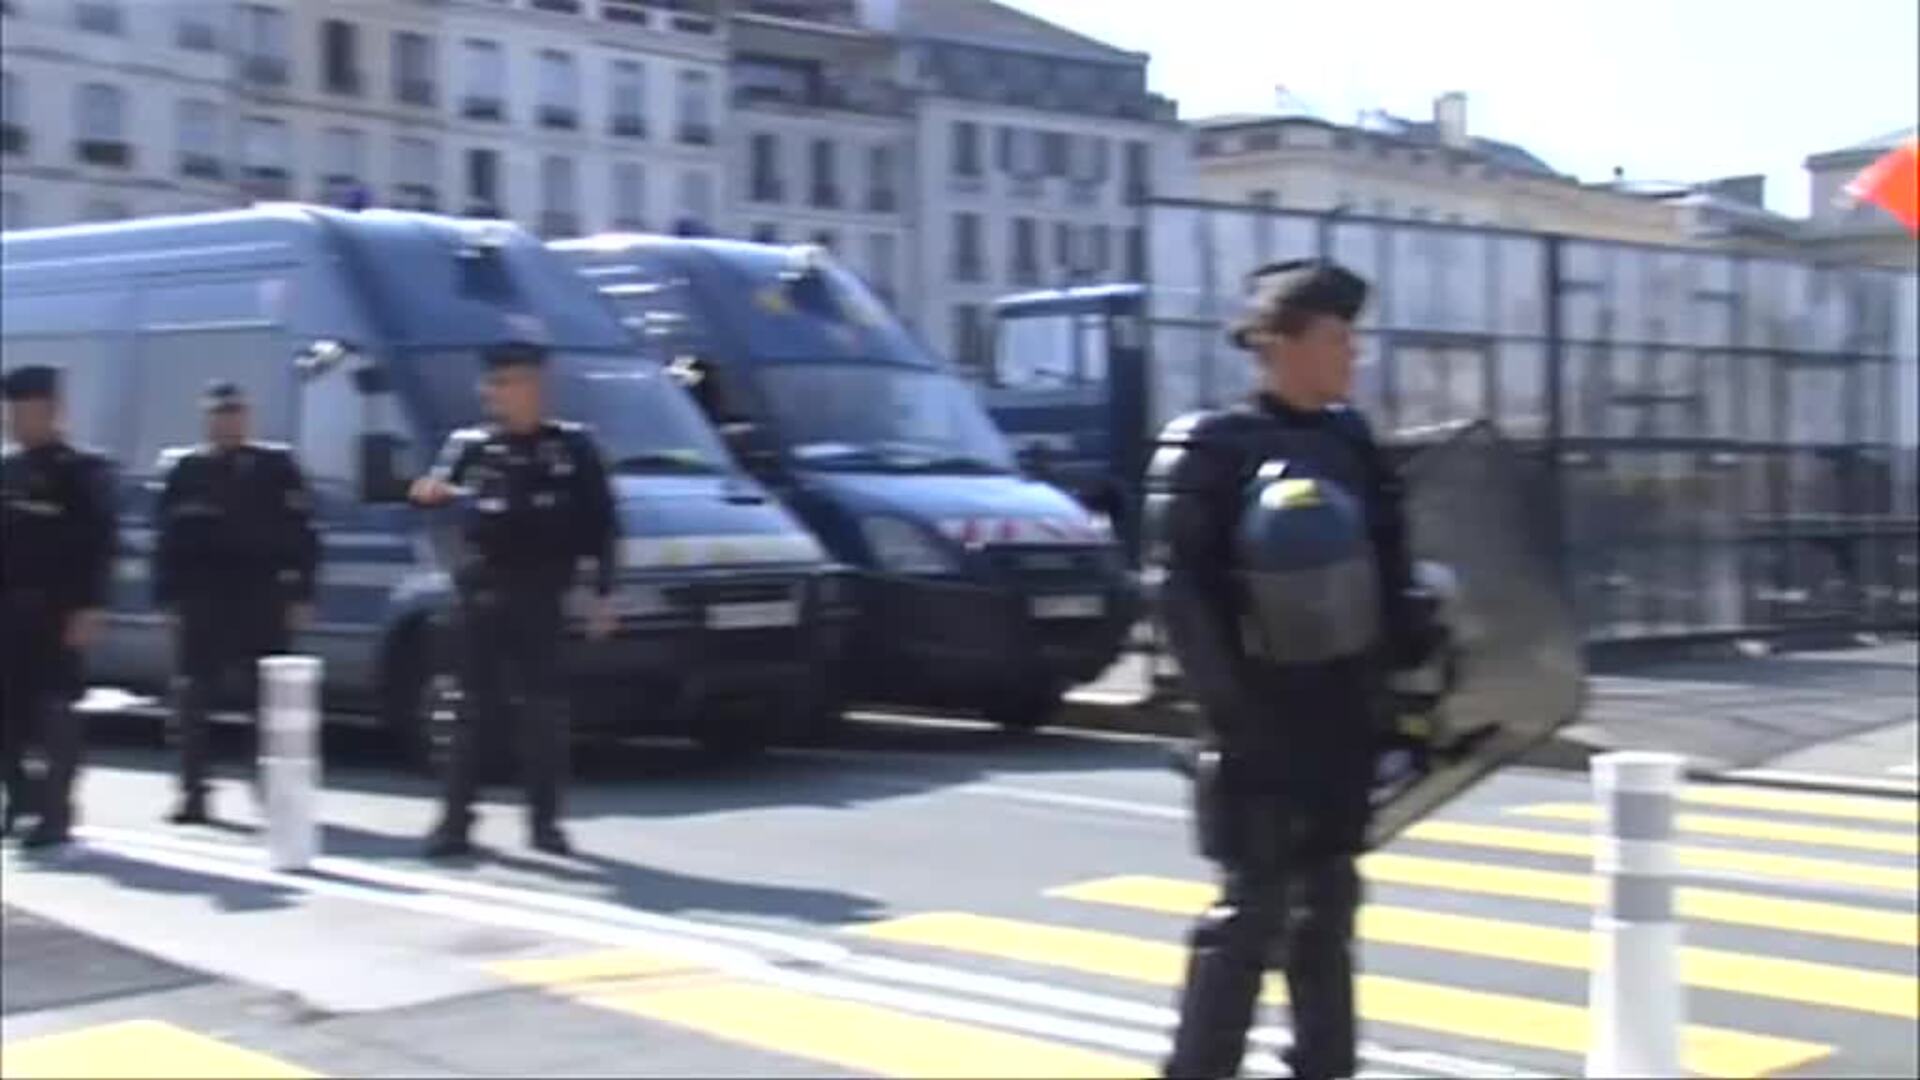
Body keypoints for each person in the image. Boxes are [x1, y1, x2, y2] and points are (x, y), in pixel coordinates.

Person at [1148, 260, 1439, 1080]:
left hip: (1346, 718)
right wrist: (1235, 720)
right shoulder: (1211, 447)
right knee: (1251, 917)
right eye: (1336, 339)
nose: (1353, 355)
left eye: (1355, 338)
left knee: (1329, 914)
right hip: (1260, 724)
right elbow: (1178, 594)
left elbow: (1393, 570)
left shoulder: (1351, 443)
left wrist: (1413, 659)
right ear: (1277, 344)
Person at [410, 341, 618, 859]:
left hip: (542, 595)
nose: (499, 393)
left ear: (536, 387)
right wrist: (436, 513)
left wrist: (601, 594)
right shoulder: (471, 447)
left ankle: (545, 825)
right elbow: (433, 512)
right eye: (494, 384)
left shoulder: (572, 449)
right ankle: (455, 824)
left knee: (544, 713)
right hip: (480, 595)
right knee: (467, 711)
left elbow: (602, 526)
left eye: (511, 383)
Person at [153, 380, 319, 824]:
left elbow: (303, 534)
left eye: (235, 413)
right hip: (201, 597)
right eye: (219, 414)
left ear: (247, 418)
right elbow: (166, 540)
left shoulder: (276, 467)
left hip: (260, 594)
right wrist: (166, 598)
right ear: (207, 419)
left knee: (267, 702)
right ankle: (193, 793)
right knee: (191, 699)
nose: (227, 421)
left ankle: (273, 791)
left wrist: (302, 591)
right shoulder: (184, 469)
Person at [1, 364, 117, 849]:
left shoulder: (80, 472)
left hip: (57, 611)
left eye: (25, 412)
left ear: (52, 412)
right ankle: (21, 797)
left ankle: (56, 812)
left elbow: (100, 542)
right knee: (6, 715)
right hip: (6, 612)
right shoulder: (6, 469)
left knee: (55, 714)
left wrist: (89, 607)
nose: (16, 422)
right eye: (11, 413)